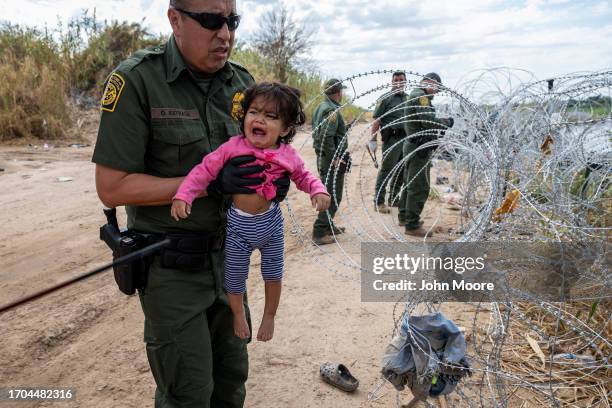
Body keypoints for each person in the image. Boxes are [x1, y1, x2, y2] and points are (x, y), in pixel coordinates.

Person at [92, 1, 290, 406]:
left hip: (227, 261)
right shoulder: (137, 81)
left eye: (232, 21)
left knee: (231, 381)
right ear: (175, 20)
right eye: (211, 21)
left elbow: (260, 153)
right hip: (172, 270)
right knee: (189, 391)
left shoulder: (242, 85)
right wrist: (207, 184)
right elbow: (112, 187)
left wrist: (271, 181)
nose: (225, 34)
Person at [170, 82, 330, 341]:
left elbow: (304, 176)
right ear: (244, 116)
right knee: (234, 279)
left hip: (271, 226)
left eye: (271, 116)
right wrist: (184, 194)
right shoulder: (232, 147)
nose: (259, 120)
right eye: (254, 112)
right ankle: (237, 315)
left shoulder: (287, 154)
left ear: (286, 128)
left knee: (273, 274)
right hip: (237, 228)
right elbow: (204, 170)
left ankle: (269, 315)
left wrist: (317, 191)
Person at [398, 72, 453, 237]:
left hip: (413, 145)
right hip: (418, 147)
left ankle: (404, 216)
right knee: (419, 186)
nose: (436, 93)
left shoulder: (417, 95)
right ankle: (412, 224)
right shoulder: (420, 96)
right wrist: (446, 122)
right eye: (437, 88)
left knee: (409, 182)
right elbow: (427, 120)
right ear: (430, 83)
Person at [311, 78, 349, 245]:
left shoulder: (321, 106)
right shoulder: (330, 110)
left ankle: (328, 225)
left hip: (326, 156)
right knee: (333, 194)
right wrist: (335, 159)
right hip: (331, 158)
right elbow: (327, 137)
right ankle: (319, 231)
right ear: (339, 93)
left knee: (330, 191)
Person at [368, 71, 409, 213]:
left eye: (401, 79)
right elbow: (377, 119)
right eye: (396, 79)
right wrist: (373, 140)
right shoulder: (386, 98)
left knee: (401, 170)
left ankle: (394, 198)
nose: (398, 82)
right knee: (387, 170)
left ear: (405, 82)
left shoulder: (408, 98)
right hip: (391, 138)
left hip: (405, 139)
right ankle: (378, 202)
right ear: (392, 82)